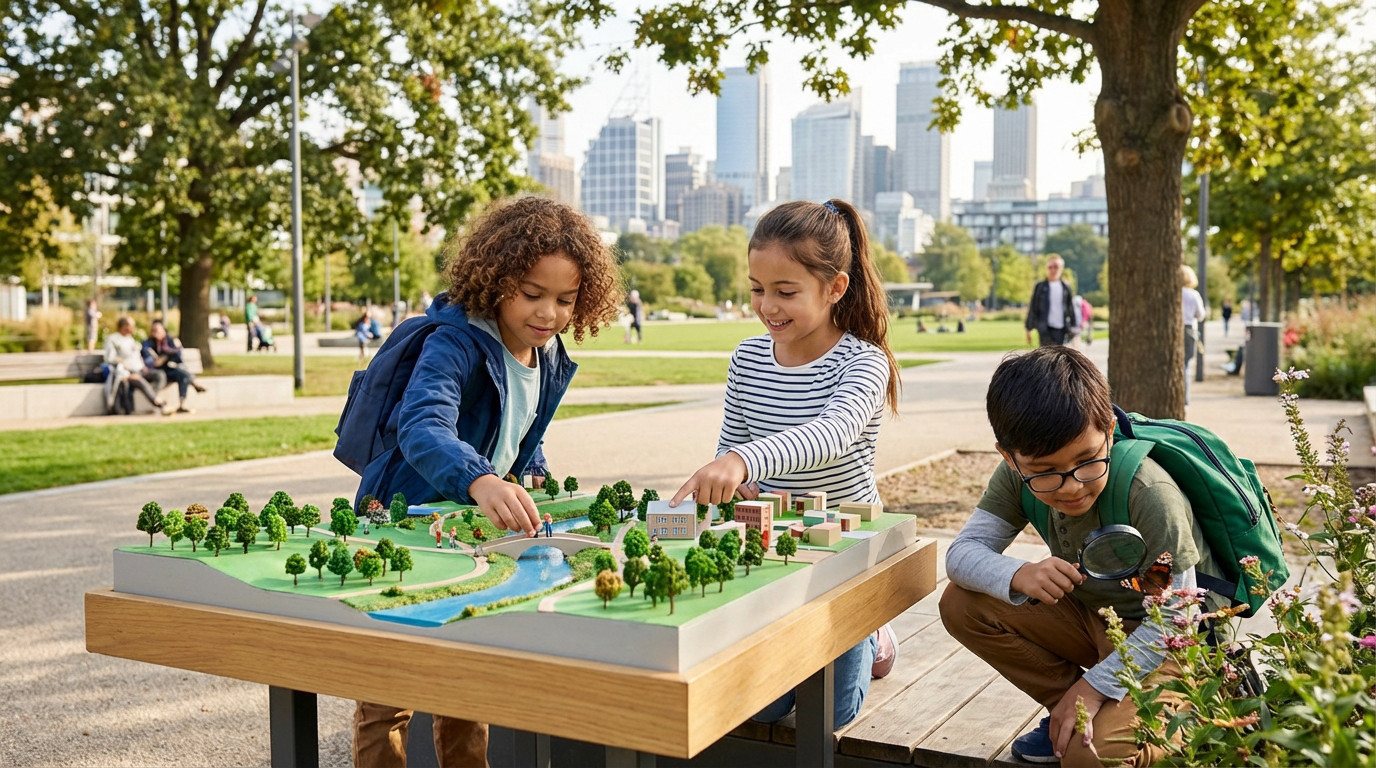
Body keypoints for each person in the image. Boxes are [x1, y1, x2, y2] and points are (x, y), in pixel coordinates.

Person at [350, 196, 622, 768]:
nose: (549, 313)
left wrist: (534, 467)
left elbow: (519, 426)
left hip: (472, 526)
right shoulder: (454, 342)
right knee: (389, 693)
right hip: (405, 520)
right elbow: (421, 426)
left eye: (565, 300)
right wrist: (480, 478)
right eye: (532, 294)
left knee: (468, 679)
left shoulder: (547, 355)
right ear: (496, 281)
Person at [669, 198, 903, 729]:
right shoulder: (748, 358)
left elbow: (832, 435)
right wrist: (734, 484)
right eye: (757, 289)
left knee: (832, 712)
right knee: (768, 709)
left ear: (835, 288)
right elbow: (731, 446)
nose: (767, 306)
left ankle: (872, 633)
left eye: (786, 291)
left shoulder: (863, 361)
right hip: (772, 542)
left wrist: (743, 461)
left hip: (844, 548)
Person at [939, 346, 1210, 766]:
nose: (1070, 486)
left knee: (1088, 759)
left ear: (1108, 430)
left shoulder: (1149, 493)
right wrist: (1019, 573)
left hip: (1170, 645)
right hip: (1096, 620)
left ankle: (1197, 719)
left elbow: (1179, 619)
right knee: (962, 603)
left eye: (1086, 461)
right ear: (1009, 457)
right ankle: (1066, 714)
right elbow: (961, 555)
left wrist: (1095, 687)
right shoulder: (1015, 476)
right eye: (1045, 471)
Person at [103, 316, 171, 415]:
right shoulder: (113, 339)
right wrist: (123, 363)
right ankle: (159, 403)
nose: (134, 328)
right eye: (132, 326)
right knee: (139, 380)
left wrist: (144, 366)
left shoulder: (130, 339)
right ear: (125, 326)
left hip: (141, 369)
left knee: (160, 375)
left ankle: (154, 396)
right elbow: (109, 358)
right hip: (126, 373)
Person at [142, 320, 207, 414]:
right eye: (153, 331)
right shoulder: (148, 343)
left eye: (158, 331)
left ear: (164, 331)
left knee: (183, 375)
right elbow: (151, 361)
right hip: (156, 371)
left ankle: (181, 404)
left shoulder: (170, 341)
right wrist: (165, 356)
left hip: (169, 370)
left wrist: (165, 356)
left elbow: (178, 357)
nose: (155, 333)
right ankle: (193, 382)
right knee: (181, 373)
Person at [1024, 255, 1079, 347]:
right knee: (1045, 356)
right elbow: (1033, 307)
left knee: (1058, 356)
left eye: (1056, 267)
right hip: (1044, 328)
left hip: (1061, 328)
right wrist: (1028, 328)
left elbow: (1070, 308)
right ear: (1047, 268)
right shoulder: (1040, 287)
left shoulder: (1065, 287)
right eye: (1050, 267)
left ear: (1061, 268)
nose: (1053, 270)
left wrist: (1074, 328)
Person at [1181, 264, 1208, 406]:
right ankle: (1185, 398)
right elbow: (1201, 315)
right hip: (1189, 330)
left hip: (1177, 328)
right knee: (1185, 365)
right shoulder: (1193, 295)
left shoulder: (1174, 293)